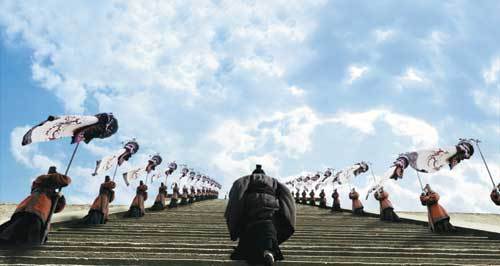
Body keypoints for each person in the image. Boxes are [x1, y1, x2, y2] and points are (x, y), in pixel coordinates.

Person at [225, 165, 296, 265]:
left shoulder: (243, 180)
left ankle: (251, 251)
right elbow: (288, 201)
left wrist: (234, 229)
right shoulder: (275, 182)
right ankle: (269, 250)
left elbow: (236, 199)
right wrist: (286, 225)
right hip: (270, 215)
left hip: (250, 213)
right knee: (269, 230)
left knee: (247, 239)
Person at [0, 166, 71, 246]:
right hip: (32, 208)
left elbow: (57, 208)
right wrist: (57, 176)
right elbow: (64, 180)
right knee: (23, 223)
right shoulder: (42, 179)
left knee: (33, 228)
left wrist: (60, 198)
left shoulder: (51, 195)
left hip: (40, 213)